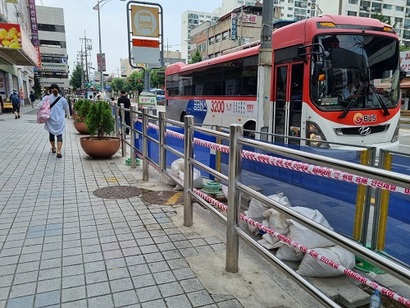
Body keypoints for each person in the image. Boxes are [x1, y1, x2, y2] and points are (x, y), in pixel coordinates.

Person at [38, 84, 70, 158]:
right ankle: (59, 151)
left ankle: (53, 148)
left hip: (50, 119)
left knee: (51, 134)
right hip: (60, 120)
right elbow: (67, 109)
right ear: (58, 90)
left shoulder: (46, 98)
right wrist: (66, 115)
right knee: (59, 134)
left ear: (50, 90)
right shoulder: (63, 99)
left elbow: (40, 106)